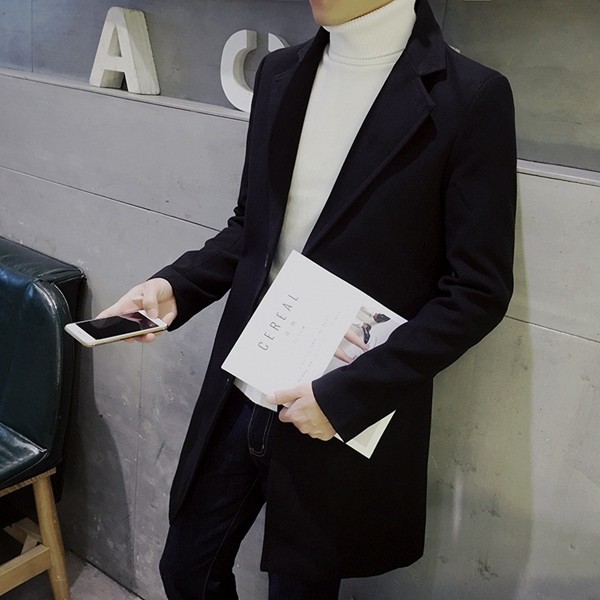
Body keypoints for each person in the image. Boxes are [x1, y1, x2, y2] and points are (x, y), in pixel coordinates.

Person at [99, 0, 517, 597]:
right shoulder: (281, 72)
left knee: (300, 591)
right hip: (244, 380)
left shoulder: (469, 97)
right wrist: (177, 287)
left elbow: (476, 291)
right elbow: (253, 228)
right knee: (186, 569)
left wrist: (349, 397)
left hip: (335, 402)